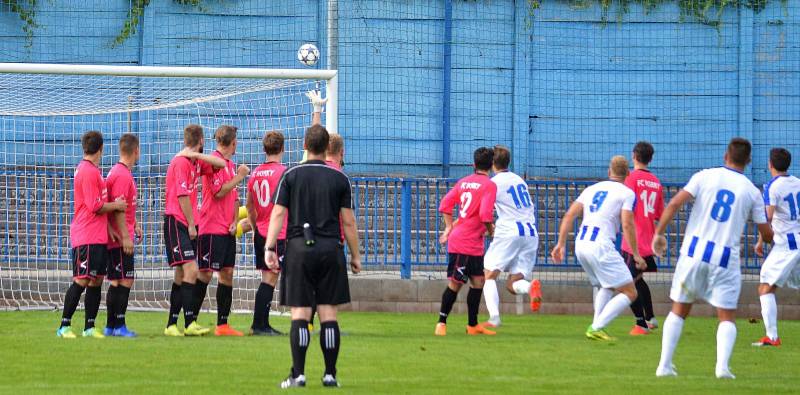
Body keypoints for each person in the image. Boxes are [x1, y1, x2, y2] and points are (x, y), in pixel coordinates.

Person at [653, 138, 773, 379]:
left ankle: (664, 365)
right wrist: (768, 235)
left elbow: (675, 202)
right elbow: (767, 233)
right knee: (726, 315)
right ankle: (722, 368)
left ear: (725, 155)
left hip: (693, 252)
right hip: (725, 258)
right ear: (748, 161)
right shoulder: (751, 191)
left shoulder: (704, 176)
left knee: (679, 309)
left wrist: (658, 233)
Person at [265, 123, 362, 388]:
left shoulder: (291, 175)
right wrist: (355, 255)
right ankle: (330, 374)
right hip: (330, 249)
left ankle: (298, 374)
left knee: (300, 313)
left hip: (299, 249)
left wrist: (270, 247)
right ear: (327, 148)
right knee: (329, 313)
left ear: (305, 146)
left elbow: (278, 213)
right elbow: (349, 222)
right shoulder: (340, 179)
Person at [551, 156, 645, 341]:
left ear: (609, 172)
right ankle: (596, 327)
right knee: (630, 292)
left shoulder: (591, 189)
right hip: (601, 245)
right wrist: (635, 254)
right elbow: (627, 224)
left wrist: (560, 244)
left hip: (581, 244)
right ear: (628, 174)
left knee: (606, 286)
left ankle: (596, 327)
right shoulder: (627, 193)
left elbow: (569, 215)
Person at [56, 131, 127, 339]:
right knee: (82, 280)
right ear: (102, 148)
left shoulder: (93, 171)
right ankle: (64, 326)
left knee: (96, 280)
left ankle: (89, 327)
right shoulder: (87, 171)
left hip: (98, 236)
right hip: (85, 235)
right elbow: (94, 206)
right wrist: (118, 205)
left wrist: (110, 230)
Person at [162, 124, 226, 337]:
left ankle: (172, 324)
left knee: (181, 273)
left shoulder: (195, 161)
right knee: (191, 270)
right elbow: (181, 196)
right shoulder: (180, 162)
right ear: (201, 140)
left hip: (188, 221)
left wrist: (198, 156)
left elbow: (220, 164)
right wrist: (191, 224)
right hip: (177, 221)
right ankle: (189, 323)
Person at [435, 147, 497, 337]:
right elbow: (486, 214)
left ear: (473, 164)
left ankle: (472, 325)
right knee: (456, 283)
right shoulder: (489, 185)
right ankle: (441, 323)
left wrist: (448, 227)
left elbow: (445, 204)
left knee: (478, 281)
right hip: (464, 243)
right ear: (492, 166)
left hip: (470, 242)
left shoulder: (463, 182)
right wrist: (491, 231)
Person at [194, 125, 250, 337]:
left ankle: (222, 325)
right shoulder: (213, 162)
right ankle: (191, 320)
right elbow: (218, 192)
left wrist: (235, 221)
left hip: (226, 229)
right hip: (211, 227)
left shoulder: (230, 164)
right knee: (205, 273)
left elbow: (234, 197)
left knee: (227, 274)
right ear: (233, 143)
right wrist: (240, 176)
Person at [482, 145, 541, 329]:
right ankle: (530, 287)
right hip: (530, 232)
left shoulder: (494, 183)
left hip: (509, 231)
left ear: (492, 163)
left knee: (489, 275)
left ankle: (494, 318)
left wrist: (490, 230)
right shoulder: (519, 180)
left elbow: (485, 211)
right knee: (512, 283)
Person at [753, 148, 800, 347]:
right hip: (796, 239)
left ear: (770, 164)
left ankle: (772, 337)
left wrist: (761, 240)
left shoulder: (772, 186)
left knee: (765, 286)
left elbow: (767, 217)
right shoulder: (798, 182)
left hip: (787, 243)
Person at [247, 130, 287, 336]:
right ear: (282, 148)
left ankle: (261, 323)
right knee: (271, 278)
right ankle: (260, 325)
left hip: (261, 232)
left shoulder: (254, 173)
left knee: (267, 277)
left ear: (264, 149)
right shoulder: (284, 172)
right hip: (278, 233)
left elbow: (249, 206)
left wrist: (254, 228)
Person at [621, 141, 664, 335]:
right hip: (648, 238)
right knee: (638, 280)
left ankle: (640, 324)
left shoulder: (631, 179)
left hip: (633, 241)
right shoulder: (656, 182)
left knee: (627, 282)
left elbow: (626, 208)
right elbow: (658, 214)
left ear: (633, 156)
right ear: (651, 158)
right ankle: (651, 317)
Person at [103, 133, 142, 337]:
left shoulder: (120, 172)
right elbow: (117, 209)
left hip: (121, 233)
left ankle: (111, 327)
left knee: (119, 280)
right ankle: (119, 326)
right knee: (124, 280)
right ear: (136, 151)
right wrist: (126, 236)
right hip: (119, 238)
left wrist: (134, 224)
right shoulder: (122, 175)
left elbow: (124, 205)